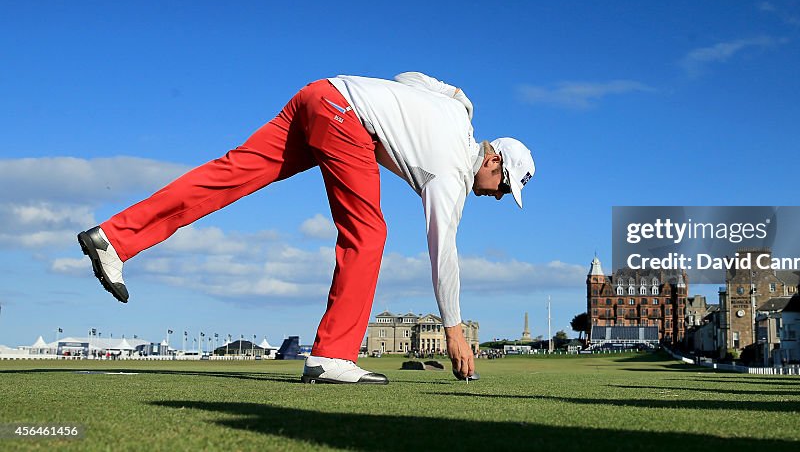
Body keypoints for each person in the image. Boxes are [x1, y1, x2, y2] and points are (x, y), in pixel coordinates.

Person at [77, 72, 535, 385]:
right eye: (502, 186)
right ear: (492, 159)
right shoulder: (451, 175)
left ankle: (115, 238)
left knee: (232, 173)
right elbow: (443, 253)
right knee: (369, 232)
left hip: (318, 93)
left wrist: (452, 96)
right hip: (345, 119)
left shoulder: (461, 110)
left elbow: (407, 79)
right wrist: (453, 329)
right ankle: (332, 355)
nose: (496, 195)